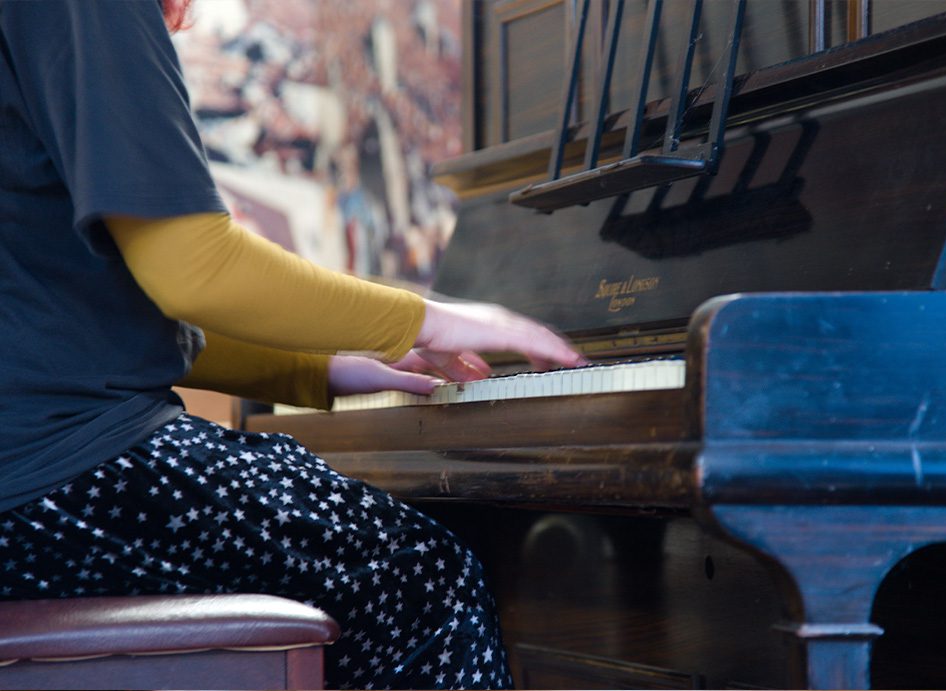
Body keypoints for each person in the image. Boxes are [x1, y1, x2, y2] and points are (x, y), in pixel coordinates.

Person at [0, 1, 585, 688]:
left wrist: (320, 365)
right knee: (423, 576)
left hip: (28, 481)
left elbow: (77, 309)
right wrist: (431, 318)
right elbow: (194, 269)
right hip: (57, 472)